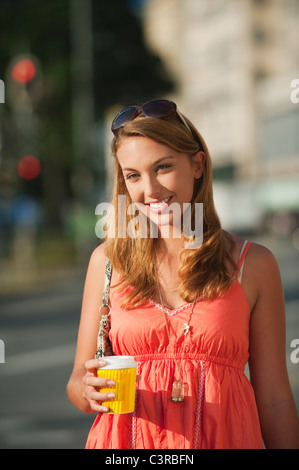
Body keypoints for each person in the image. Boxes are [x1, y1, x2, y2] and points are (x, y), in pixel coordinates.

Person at [67, 99, 299, 449]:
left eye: (162, 167)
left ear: (197, 165)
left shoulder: (254, 264)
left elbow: (275, 399)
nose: (150, 190)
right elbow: (78, 384)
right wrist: (86, 389)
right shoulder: (107, 261)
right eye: (133, 176)